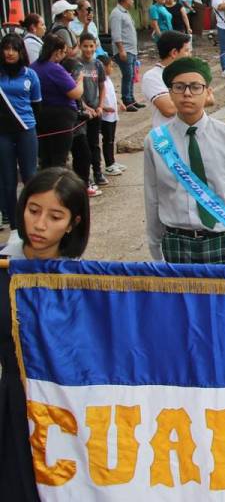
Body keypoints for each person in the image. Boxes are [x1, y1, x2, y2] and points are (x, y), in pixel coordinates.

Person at [0, 167, 89, 501]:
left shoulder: (83, 281)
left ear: (73, 223)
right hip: (13, 405)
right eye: (33, 210)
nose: (39, 225)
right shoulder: (5, 267)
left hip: (65, 412)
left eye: (55, 216)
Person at [144, 57, 225, 265]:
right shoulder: (156, 141)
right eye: (179, 87)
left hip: (223, 239)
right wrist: (155, 249)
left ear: (208, 92)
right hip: (177, 243)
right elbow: (152, 198)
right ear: (170, 93)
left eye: (195, 87)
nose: (187, 93)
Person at [0, 34, 41, 230]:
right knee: (7, 180)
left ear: (20, 52)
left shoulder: (30, 75)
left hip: (26, 130)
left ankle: (31, 219)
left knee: (30, 177)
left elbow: (37, 105)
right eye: (6, 48)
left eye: (14, 49)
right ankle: (15, 225)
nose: (9, 53)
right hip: (3, 134)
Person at [30, 34, 83, 170]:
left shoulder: (32, 68)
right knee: (59, 158)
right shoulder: (54, 68)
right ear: (57, 52)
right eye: (64, 52)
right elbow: (75, 93)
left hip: (39, 115)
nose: (65, 56)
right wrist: (80, 80)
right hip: (60, 117)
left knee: (45, 158)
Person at [74, 32, 106, 196]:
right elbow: (75, 90)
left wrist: (100, 106)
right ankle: (84, 179)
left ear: (96, 46)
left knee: (94, 144)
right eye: (85, 46)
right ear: (80, 46)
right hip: (82, 112)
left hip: (96, 110)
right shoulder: (76, 64)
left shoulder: (98, 64)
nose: (88, 49)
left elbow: (102, 86)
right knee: (82, 146)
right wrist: (85, 107)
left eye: (91, 46)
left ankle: (98, 172)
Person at [109, 0, 140, 110]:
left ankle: (131, 98)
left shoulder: (125, 13)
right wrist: (121, 50)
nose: (132, 1)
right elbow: (116, 34)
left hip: (131, 50)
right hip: (125, 50)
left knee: (132, 75)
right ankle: (126, 100)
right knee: (127, 75)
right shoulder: (116, 13)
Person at [98, 53, 127, 176]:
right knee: (107, 140)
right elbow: (97, 97)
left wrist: (120, 103)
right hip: (105, 116)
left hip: (112, 115)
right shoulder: (99, 81)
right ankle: (109, 165)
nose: (112, 68)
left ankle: (113, 162)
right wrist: (104, 107)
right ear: (102, 67)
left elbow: (112, 94)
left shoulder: (108, 79)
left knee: (111, 139)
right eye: (109, 66)